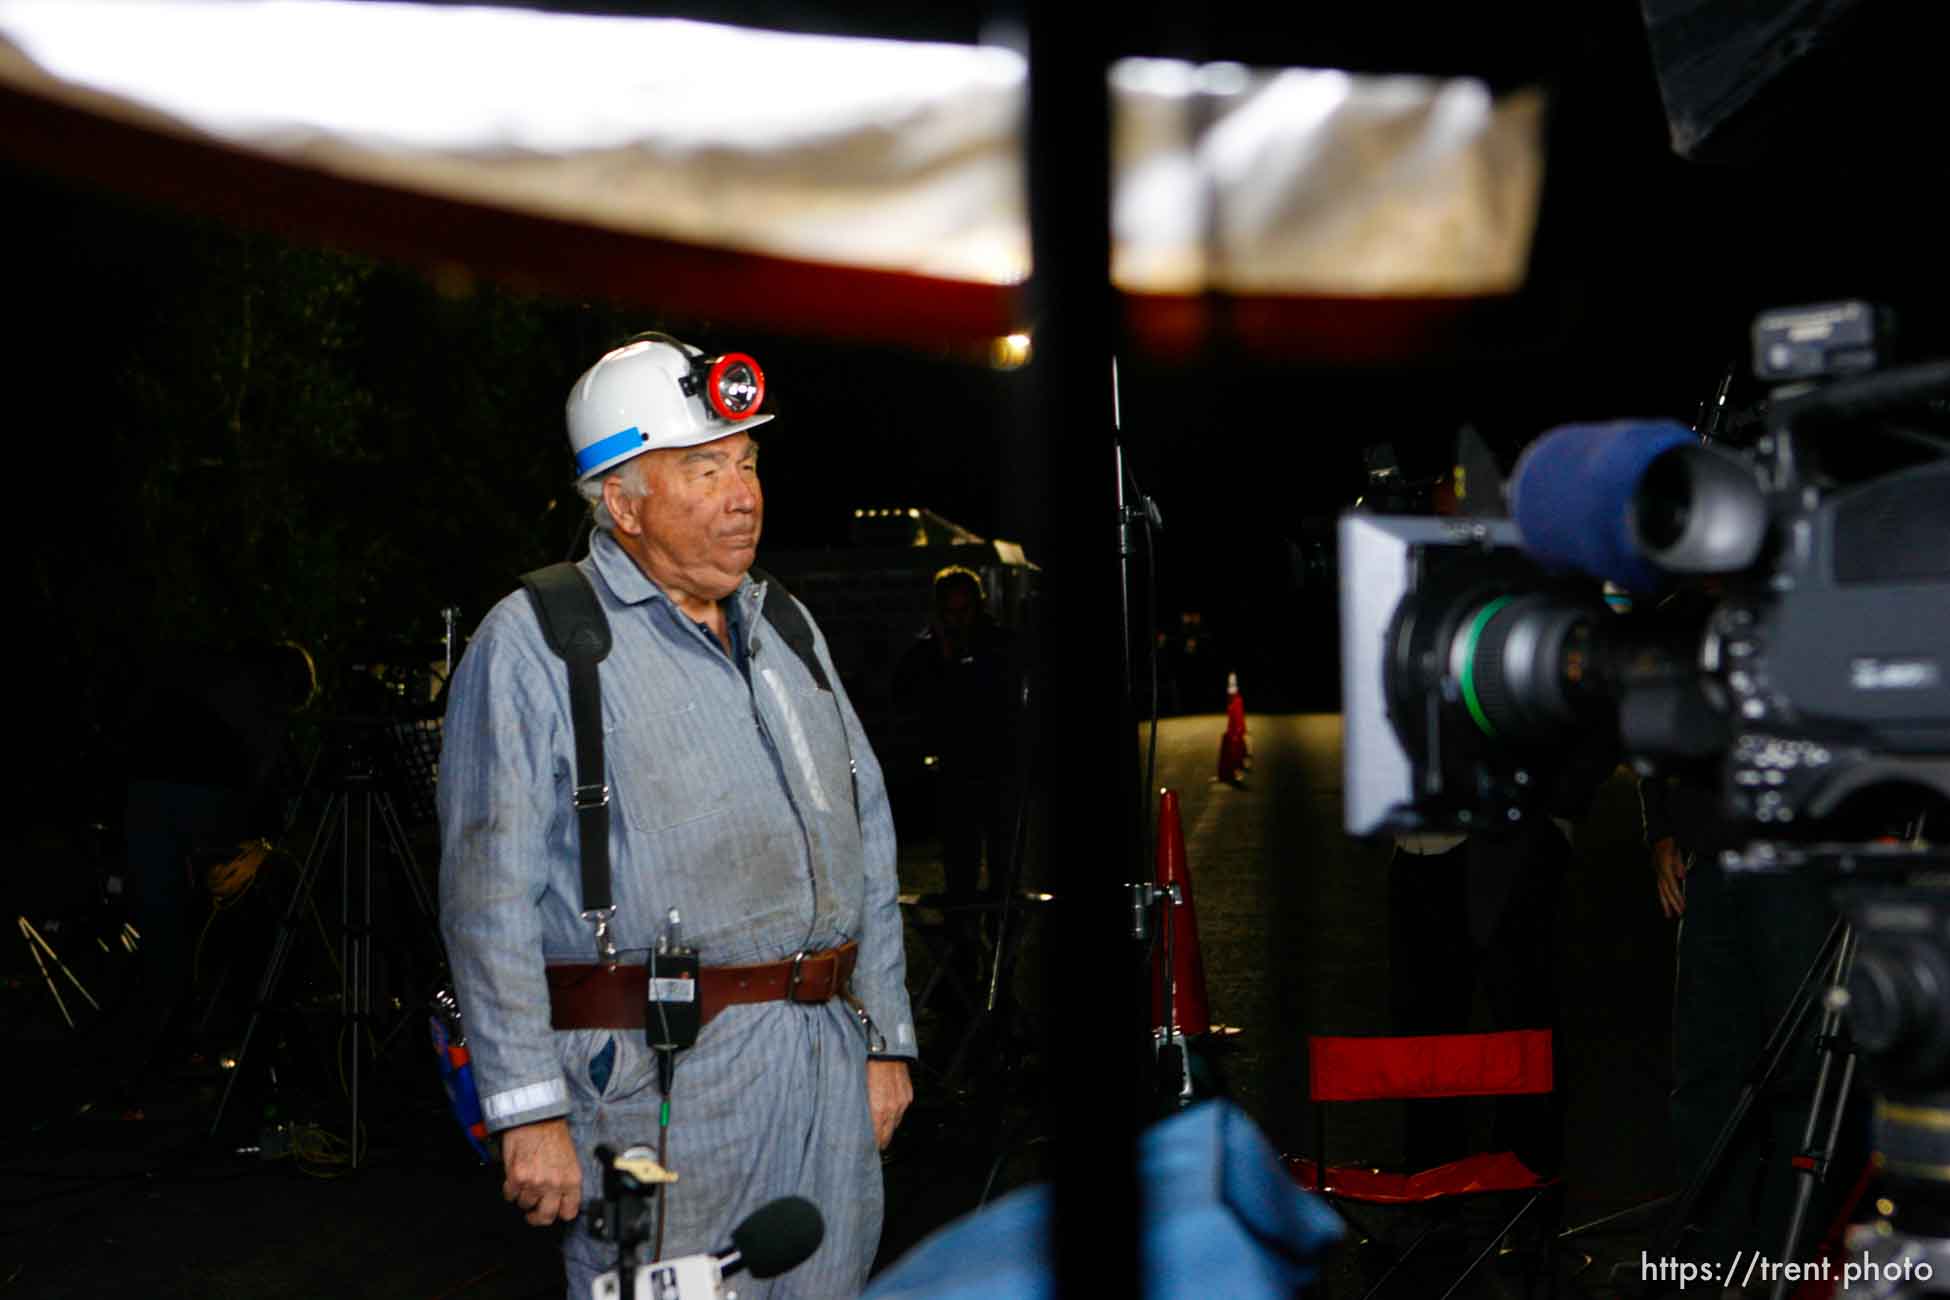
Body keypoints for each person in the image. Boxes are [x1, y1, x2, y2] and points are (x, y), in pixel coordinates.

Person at [438, 334, 916, 1299]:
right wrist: (528, 1110)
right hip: (659, 1082)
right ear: (621, 503)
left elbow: (866, 830)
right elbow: (485, 895)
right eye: (705, 468)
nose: (744, 494)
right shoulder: (538, 643)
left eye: (746, 462)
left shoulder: (784, 624)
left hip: (823, 1061)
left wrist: (887, 1039)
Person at [891, 565, 1017, 905]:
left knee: (1004, 865)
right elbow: (904, 693)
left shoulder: (999, 645)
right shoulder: (929, 651)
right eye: (950, 612)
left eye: (964, 611)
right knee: (960, 866)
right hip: (954, 773)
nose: (958, 620)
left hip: (998, 769)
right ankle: (963, 935)